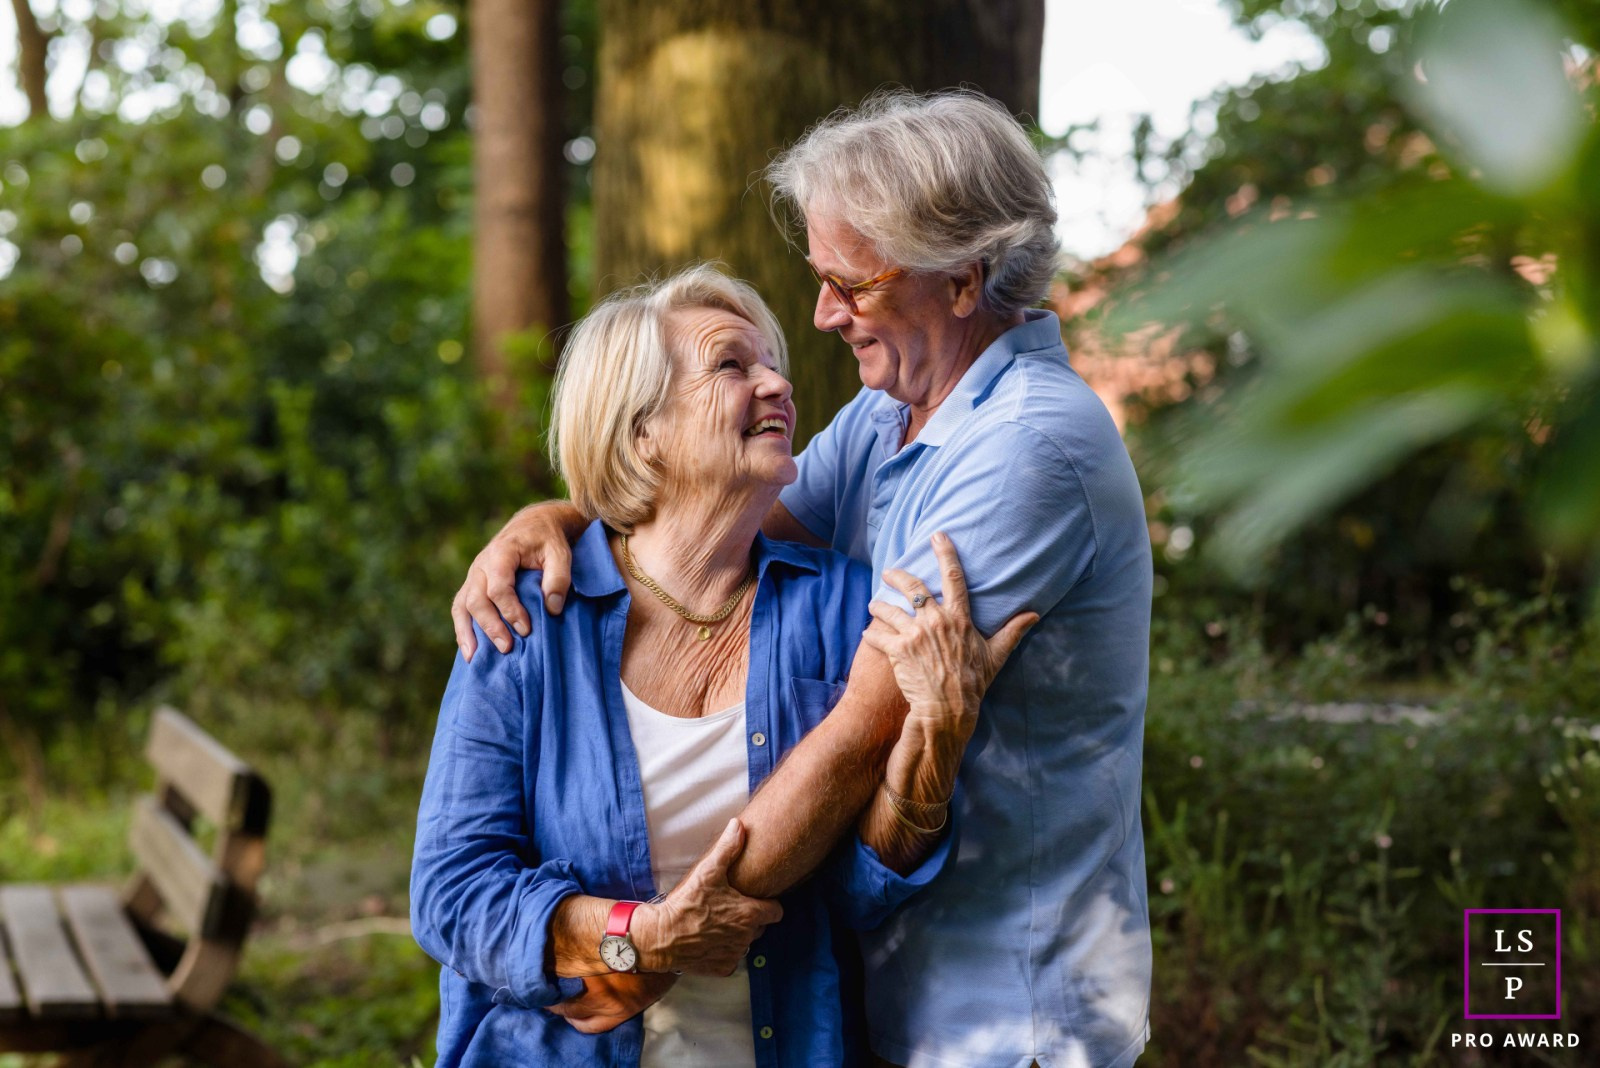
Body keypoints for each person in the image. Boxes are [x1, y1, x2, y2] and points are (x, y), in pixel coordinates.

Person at [453, 90, 1153, 1068]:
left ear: (963, 279)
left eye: (851, 285)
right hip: (898, 998)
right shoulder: (891, 417)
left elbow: (865, 730)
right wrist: (559, 516)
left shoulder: (1024, 445)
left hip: (1012, 1003)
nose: (824, 316)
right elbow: (708, 524)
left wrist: (649, 952)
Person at [411, 264, 1030, 1066]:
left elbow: (857, 895)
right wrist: (640, 939)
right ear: (642, 431)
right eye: (732, 365)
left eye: (772, 363)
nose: (778, 384)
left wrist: (937, 745)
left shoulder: (843, 606)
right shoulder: (530, 618)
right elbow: (452, 894)